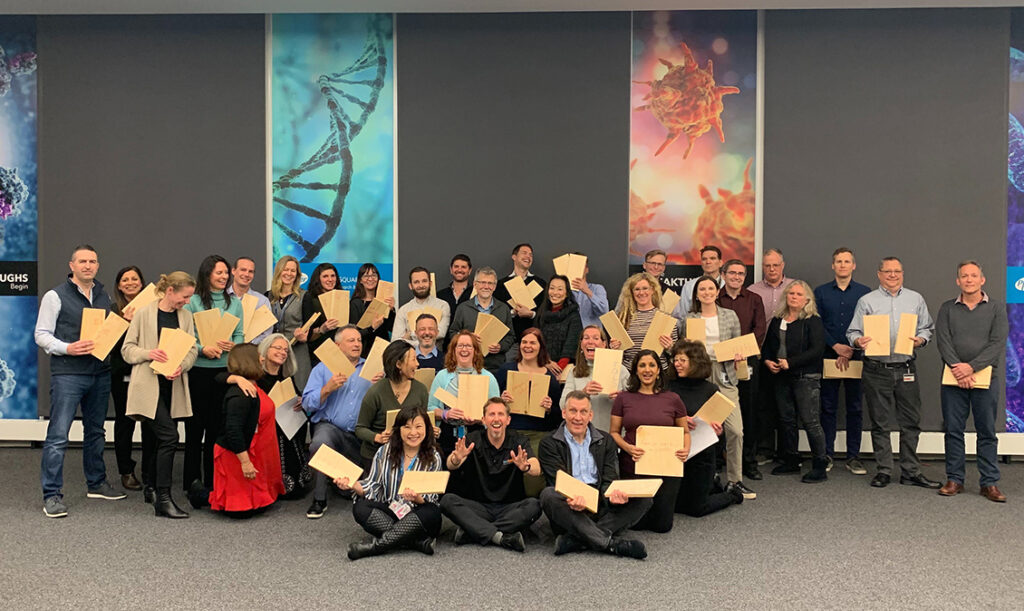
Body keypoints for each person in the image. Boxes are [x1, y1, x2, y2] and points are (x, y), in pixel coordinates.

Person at [36, 244, 126, 518]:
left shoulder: (103, 294)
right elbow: (41, 335)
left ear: (98, 266)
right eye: (83, 261)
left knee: (96, 431)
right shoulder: (55, 296)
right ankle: (52, 495)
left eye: (93, 261)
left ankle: (96, 483)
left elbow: (106, 333)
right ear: (72, 265)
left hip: (100, 373)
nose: (88, 266)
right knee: (58, 436)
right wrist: (68, 347)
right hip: (69, 374)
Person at [847, 257, 939, 489]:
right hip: (876, 370)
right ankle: (884, 470)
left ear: (902, 273)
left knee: (911, 422)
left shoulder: (915, 298)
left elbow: (927, 328)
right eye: (887, 271)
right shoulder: (867, 301)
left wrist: (921, 339)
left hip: (906, 368)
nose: (892, 275)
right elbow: (852, 331)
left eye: (897, 271)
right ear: (879, 274)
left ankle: (910, 471)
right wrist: (858, 340)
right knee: (880, 423)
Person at [538, 392, 652, 559]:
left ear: (590, 415)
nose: (578, 417)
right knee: (548, 495)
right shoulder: (549, 443)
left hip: (600, 503)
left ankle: (579, 539)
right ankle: (610, 544)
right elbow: (559, 481)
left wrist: (612, 497)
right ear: (564, 413)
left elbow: (609, 478)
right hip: (570, 506)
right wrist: (576, 498)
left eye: (583, 412)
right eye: (573, 411)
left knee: (644, 498)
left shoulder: (605, 440)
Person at [122, 271, 199, 518]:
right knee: (169, 436)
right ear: (170, 291)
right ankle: (163, 500)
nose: (186, 301)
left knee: (157, 440)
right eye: (184, 296)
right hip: (148, 388)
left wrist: (181, 366)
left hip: (172, 388)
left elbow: (191, 350)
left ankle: (153, 488)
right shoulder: (144, 313)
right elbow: (127, 350)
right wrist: (149, 353)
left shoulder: (186, 317)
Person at [935, 261, 1008, 502]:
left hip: (985, 377)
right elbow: (943, 341)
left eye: (973, 276)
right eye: (964, 276)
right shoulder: (947, 308)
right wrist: (959, 369)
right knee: (953, 431)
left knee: (986, 431)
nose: (969, 280)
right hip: (952, 377)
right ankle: (954, 479)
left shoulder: (996, 308)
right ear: (958, 281)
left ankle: (989, 483)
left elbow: (997, 343)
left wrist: (971, 368)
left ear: (982, 280)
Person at [335, 406, 444, 560]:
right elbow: (373, 485)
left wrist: (417, 498)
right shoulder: (385, 451)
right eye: (407, 427)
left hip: (418, 516)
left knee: (432, 512)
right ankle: (416, 542)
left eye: (419, 427)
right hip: (392, 510)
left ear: (427, 429)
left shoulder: (434, 457)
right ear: (399, 429)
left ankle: (375, 547)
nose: (413, 433)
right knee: (360, 506)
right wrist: (352, 485)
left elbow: (431, 499)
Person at [680, 275, 754, 500]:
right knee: (702, 431)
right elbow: (686, 352)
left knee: (735, 431)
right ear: (697, 294)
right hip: (699, 379)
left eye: (710, 288)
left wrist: (739, 356)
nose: (706, 292)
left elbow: (737, 344)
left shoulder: (729, 316)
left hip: (725, 377)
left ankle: (735, 480)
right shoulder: (689, 318)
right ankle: (704, 479)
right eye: (702, 289)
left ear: (717, 291)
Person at [440, 397, 542, 552]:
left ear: (508, 420)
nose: (496, 419)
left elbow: (536, 468)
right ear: (483, 420)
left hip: (510, 507)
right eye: (491, 414)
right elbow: (449, 464)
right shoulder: (473, 439)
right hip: (479, 507)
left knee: (534, 505)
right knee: (447, 501)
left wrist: (526, 466)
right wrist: (456, 459)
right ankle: (501, 536)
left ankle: (473, 531)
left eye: (500, 414)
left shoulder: (518, 440)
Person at [609, 349, 689, 533]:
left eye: (652, 365)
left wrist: (686, 449)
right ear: (635, 370)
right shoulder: (623, 398)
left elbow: (684, 432)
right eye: (642, 365)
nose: (647, 370)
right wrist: (628, 448)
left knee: (662, 526)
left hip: (666, 467)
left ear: (659, 370)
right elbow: (613, 432)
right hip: (634, 464)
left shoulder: (673, 399)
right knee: (635, 524)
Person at [226, 334, 313, 500]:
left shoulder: (286, 375)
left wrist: (300, 400)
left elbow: (294, 395)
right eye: (278, 348)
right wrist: (236, 378)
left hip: (289, 424)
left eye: (286, 350)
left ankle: (293, 482)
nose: (283, 352)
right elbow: (219, 379)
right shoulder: (255, 375)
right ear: (265, 351)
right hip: (266, 428)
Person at [184, 254, 244, 494]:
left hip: (224, 372)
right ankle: (191, 483)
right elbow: (186, 336)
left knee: (216, 429)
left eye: (225, 273)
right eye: (218, 273)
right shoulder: (193, 301)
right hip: (198, 372)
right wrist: (201, 348)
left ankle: (212, 482)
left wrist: (235, 345)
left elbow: (240, 332)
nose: (223, 277)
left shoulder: (234, 303)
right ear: (207, 274)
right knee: (194, 429)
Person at [301, 325, 374, 519]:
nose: (357, 344)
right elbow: (307, 404)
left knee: (353, 489)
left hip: (360, 435)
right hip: (330, 428)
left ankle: (343, 484)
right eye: (351, 340)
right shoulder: (322, 368)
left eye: (359, 340)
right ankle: (319, 499)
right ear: (337, 345)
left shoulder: (372, 369)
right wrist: (327, 388)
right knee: (319, 443)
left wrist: (381, 385)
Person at [665, 340, 744, 516]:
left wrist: (717, 431)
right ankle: (711, 486)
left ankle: (731, 495)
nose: (677, 364)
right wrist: (680, 419)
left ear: (695, 362)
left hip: (701, 455)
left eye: (682, 360)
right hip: (675, 453)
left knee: (696, 509)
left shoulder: (711, 389)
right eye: (675, 360)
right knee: (673, 506)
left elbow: (719, 429)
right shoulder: (668, 386)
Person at [762, 281, 828, 483]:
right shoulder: (777, 320)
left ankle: (819, 465)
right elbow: (768, 347)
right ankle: (791, 459)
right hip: (781, 376)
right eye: (791, 293)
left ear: (807, 299)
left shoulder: (813, 320)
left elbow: (817, 350)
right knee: (786, 420)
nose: (794, 297)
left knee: (811, 422)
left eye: (799, 294)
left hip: (805, 377)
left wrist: (791, 363)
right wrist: (767, 361)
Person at [207, 344, 284, 517]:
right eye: (259, 356)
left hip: (253, 450)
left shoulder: (254, 383)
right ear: (249, 361)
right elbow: (233, 430)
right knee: (242, 513)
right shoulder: (240, 394)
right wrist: (245, 462)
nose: (263, 358)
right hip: (237, 455)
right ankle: (201, 495)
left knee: (262, 505)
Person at [813, 248, 871, 475]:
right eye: (839, 261)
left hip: (857, 355)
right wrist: (836, 347)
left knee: (855, 408)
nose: (843, 265)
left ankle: (853, 457)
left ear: (854, 266)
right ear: (833, 265)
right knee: (827, 407)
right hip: (829, 354)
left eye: (847, 261)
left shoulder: (865, 293)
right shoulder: (821, 292)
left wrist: (852, 348)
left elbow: (869, 324)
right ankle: (827, 453)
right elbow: (817, 323)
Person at [716, 258, 766, 480]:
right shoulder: (713, 297)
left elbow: (760, 329)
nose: (737, 277)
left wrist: (741, 351)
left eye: (741, 274)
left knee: (749, 410)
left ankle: (749, 461)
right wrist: (725, 352)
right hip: (717, 363)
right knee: (717, 412)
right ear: (723, 274)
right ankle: (717, 460)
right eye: (732, 273)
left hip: (746, 361)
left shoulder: (754, 299)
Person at [748, 248, 796, 463]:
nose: (772, 269)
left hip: (790, 354)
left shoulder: (795, 288)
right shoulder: (753, 290)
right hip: (760, 353)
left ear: (783, 265)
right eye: (767, 265)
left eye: (775, 265)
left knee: (789, 405)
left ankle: (788, 452)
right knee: (763, 404)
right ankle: (766, 449)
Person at [428, 329, 501, 458]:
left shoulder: (488, 377)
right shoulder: (442, 376)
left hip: (478, 435)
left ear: (476, 351)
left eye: (468, 346)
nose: (464, 349)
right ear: (453, 350)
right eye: (460, 345)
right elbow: (430, 409)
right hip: (448, 435)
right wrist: (446, 414)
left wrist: (479, 419)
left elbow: (497, 411)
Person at [355, 340, 430, 462]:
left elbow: (423, 422)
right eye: (413, 359)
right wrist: (378, 437)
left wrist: (430, 429)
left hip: (408, 456)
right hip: (377, 457)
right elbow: (360, 428)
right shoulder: (376, 392)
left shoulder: (421, 390)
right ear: (398, 364)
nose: (417, 364)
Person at [110, 265, 146, 492]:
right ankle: (126, 470)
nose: (130, 282)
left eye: (134, 278)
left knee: (151, 422)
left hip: (149, 371)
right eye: (125, 279)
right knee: (125, 423)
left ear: (142, 283)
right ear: (119, 285)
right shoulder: (113, 310)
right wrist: (124, 321)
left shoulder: (153, 308)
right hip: (122, 373)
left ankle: (151, 470)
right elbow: (109, 346)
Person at [560, 325, 627, 432]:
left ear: (604, 344)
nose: (590, 342)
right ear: (581, 345)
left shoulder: (620, 369)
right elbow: (563, 405)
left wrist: (622, 398)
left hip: (614, 435)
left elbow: (636, 402)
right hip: (584, 435)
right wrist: (583, 393)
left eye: (596, 338)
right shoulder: (574, 372)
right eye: (586, 338)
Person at [447, 267, 515, 373]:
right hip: (468, 366)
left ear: (495, 286)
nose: (486, 286)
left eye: (490, 283)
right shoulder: (463, 308)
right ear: (475, 284)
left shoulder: (503, 308)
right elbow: (452, 333)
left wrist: (500, 347)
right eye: (482, 282)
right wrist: (468, 338)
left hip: (495, 366)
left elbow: (511, 337)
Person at [615, 272, 677, 369]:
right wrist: (614, 347)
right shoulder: (623, 317)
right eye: (637, 289)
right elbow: (618, 353)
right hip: (630, 372)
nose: (641, 293)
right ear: (631, 293)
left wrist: (670, 347)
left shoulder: (665, 318)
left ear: (652, 290)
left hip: (658, 372)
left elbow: (675, 352)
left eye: (645, 288)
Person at [268, 255, 312, 390]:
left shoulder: (305, 296)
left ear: (297, 274)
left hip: (297, 352)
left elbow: (311, 328)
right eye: (286, 270)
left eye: (293, 271)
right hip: (273, 354)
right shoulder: (267, 296)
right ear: (279, 271)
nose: (289, 274)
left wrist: (305, 337)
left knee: (299, 394)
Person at [494, 243, 547, 340]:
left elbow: (546, 312)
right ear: (514, 257)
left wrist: (531, 314)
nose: (528, 256)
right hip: (509, 341)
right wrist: (513, 312)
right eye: (524, 253)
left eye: (531, 255)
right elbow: (496, 314)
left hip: (534, 339)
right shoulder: (500, 285)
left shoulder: (541, 283)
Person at [534, 274, 583, 376]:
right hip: (541, 365)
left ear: (566, 293)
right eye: (552, 288)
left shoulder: (573, 315)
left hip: (562, 370)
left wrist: (558, 369)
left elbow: (571, 346)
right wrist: (545, 362)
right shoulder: (541, 313)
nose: (555, 293)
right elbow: (535, 341)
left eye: (560, 289)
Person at [393, 266, 451, 346]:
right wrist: (429, 337)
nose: (421, 285)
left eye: (424, 281)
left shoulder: (442, 306)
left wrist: (410, 334)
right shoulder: (403, 310)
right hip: (410, 356)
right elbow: (396, 341)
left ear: (430, 283)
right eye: (416, 282)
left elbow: (441, 333)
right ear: (410, 286)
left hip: (436, 356)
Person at [350, 263, 396, 357]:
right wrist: (372, 328)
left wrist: (391, 310)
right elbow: (354, 334)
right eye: (366, 276)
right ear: (360, 280)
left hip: (383, 349)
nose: (370, 279)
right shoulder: (355, 303)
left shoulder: (384, 301)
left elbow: (392, 329)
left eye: (373, 275)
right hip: (363, 352)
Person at [301, 262, 341, 367]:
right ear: (318, 279)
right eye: (325, 276)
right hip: (318, 354)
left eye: (333, 276)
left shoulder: (341, 298)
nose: (330, 279)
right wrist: (322, 329)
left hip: (340, 353)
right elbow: (306, 332)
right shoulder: (310, 299)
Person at [227, 256, 273, 345]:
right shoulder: (221, 297)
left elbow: (266, 333)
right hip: (222, 352)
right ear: (233, 271)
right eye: (243, 270)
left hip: (250, 353)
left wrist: (244, 345)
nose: (247, 274)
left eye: (250, 271)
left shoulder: (262, 301)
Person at [676, 245, 725, 316]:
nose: (708, 262)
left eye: (712, 258)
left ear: (720, 263)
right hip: (695, 325)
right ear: (701, 262)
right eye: (704, 259)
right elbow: (682, 316)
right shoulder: (689, 286)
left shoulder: (727, 285)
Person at [569, 255, 609, 329]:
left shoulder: (597, 288)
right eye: (575, 266)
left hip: (592, 337)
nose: (578, 269)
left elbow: (604, 312)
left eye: (581, 266)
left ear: (586, 269)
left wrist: (587, 291)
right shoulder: (565, 292)